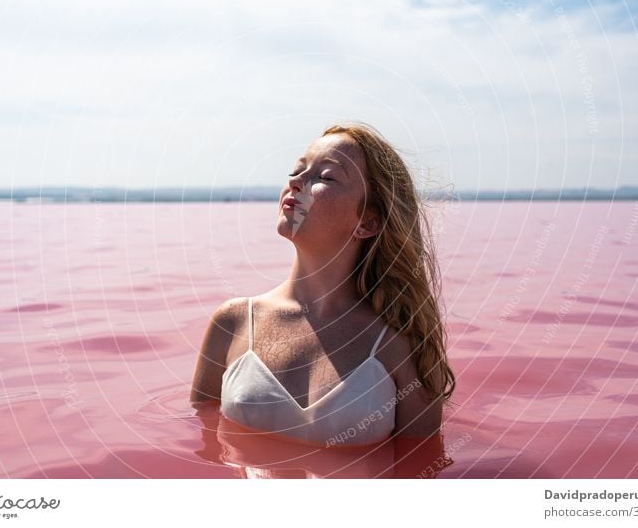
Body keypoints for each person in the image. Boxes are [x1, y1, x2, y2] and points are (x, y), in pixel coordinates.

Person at [190, 121, 456, 450]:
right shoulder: (233, 322)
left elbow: (422, 468)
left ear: (367, 222)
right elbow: (201, 445)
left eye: (326, 177)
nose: (296, 182)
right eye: (297, 169)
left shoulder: (400, 342)